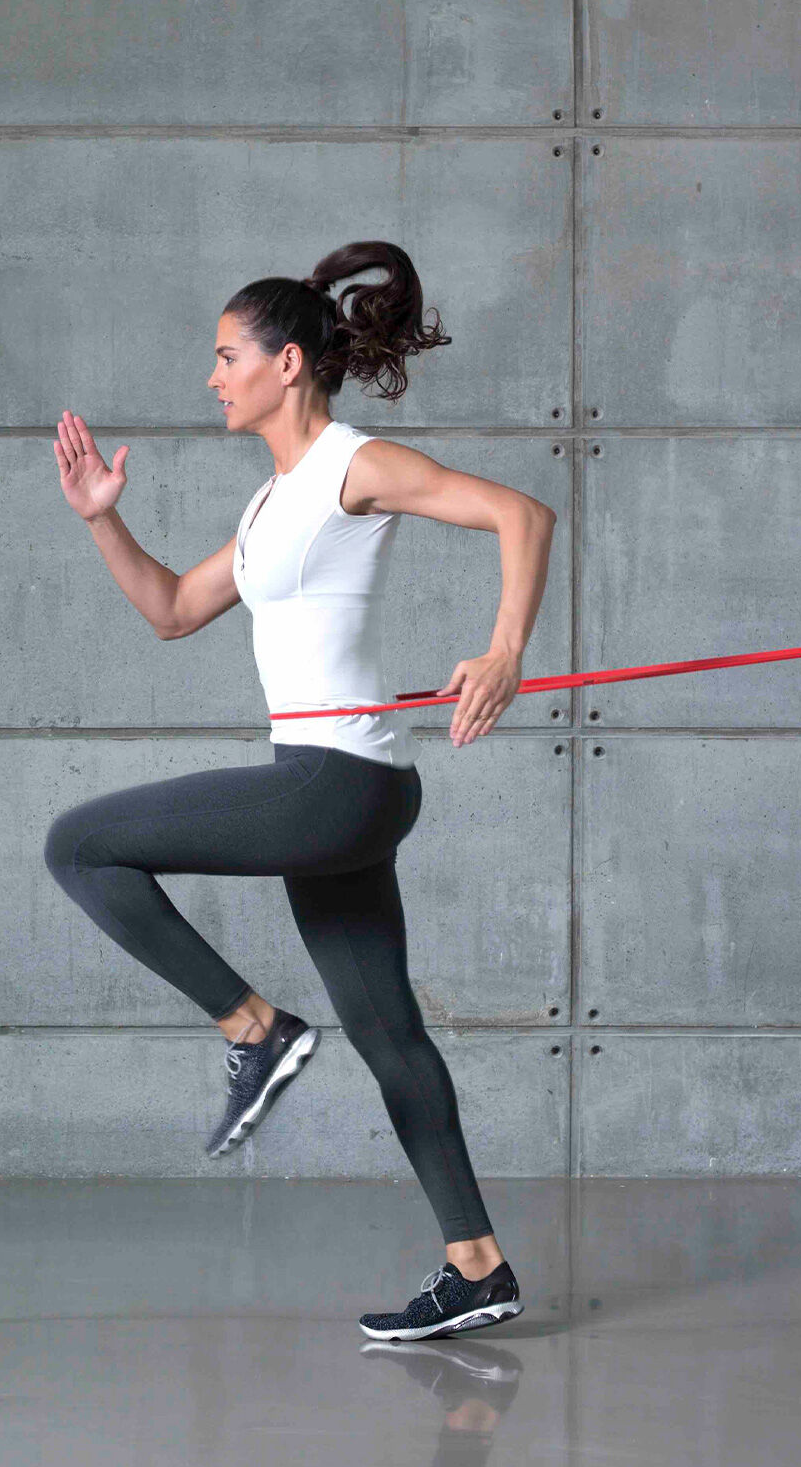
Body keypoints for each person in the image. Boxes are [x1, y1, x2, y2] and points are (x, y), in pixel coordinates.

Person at [44, 241, 556, 1342]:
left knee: (80, 844)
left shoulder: (350, 465)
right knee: (387, 1031)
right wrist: (99, 514)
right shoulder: (273, 503)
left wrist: (504, 648)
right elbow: (175, 609)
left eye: (227, 356)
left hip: (336, 785)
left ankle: (256, 1027)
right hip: (337, 787)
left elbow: (523, 515)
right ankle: (478, 1264)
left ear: (286, 363)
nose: (213, 376)